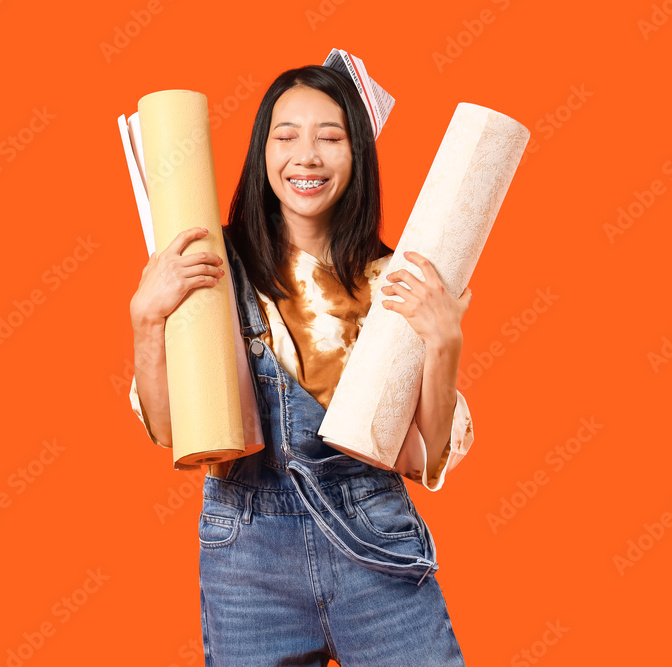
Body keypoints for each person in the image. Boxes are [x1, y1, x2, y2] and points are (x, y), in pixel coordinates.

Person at [129, 63, 473, 666]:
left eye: (330, 137)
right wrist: (146, 319)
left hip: (376, 541)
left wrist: (445, 342)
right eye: (285, 136)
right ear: (262, 154)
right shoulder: (213, 266)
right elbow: (170, 431)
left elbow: (427, 455)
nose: (306, 156)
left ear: (357, 154)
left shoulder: (395, 279)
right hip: (249, 557)